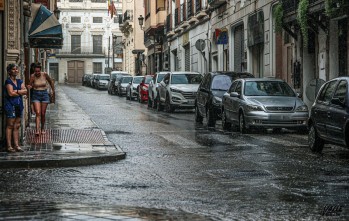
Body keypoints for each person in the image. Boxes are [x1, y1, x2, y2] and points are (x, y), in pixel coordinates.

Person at [3, 63, 27, 152]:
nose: (16, 70)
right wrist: (19, 92)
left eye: (16, 69)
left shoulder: (20, 81)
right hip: (10, 105)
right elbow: (10, 93)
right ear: (9, 71)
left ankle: (16, 145)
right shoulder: (8, 81)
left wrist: (16, 91)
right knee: (10, 125)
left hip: (19, 105)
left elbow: (25, 91)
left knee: (17, 126)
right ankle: (9, 146)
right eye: (13, 69)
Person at [27, 63, 55, 136]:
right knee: (38, 113)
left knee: (43, 113)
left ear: (40, 70)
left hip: (44, 94)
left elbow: (50, 81)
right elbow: (30, 85)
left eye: (38, 71)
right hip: (36, 95)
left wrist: (52, 90)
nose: (37, 73)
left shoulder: (44, 74)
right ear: (34, 71)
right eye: (36, 71)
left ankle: (42, 128)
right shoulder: (32, 76)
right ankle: (37, 130)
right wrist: (29, 86)